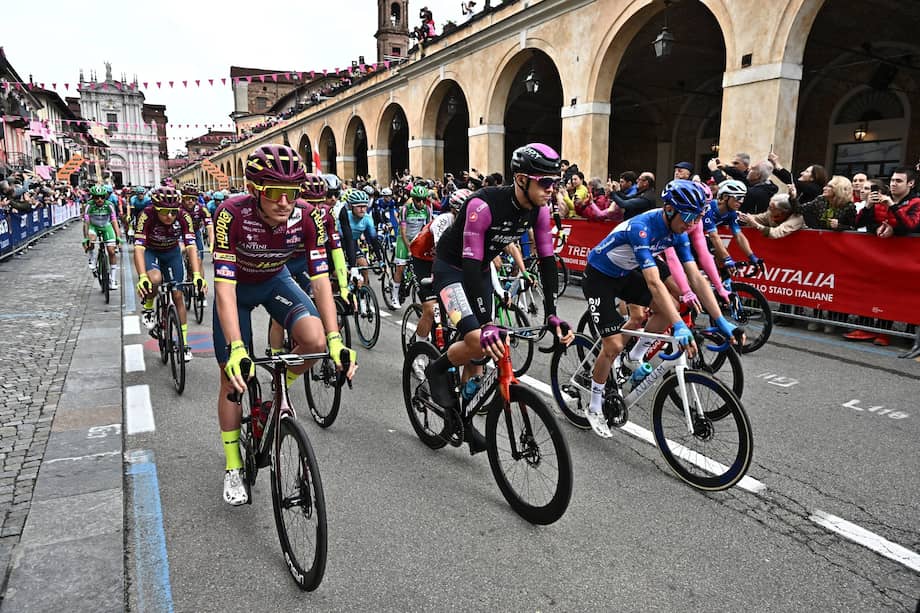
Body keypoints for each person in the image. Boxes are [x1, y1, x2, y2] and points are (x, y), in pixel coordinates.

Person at [212, 144, 356, 506]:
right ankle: (233, 466)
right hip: (237, 290)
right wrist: (237, 348)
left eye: (291, 192)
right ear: (254, 189)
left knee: (315, 340)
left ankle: (278, 387)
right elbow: (224, 287)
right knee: (232, 378)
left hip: (275, 280)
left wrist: (335, 340)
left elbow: (320, 281)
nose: (284, 202)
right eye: (274, 192)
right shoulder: (231, 214)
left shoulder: (308, 216)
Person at [427, 143, 574, 454]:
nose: (552, 190)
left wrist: (551, 313)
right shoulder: (482, 206)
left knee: (480, 358)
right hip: (452, 269)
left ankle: (463, 416)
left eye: (556, 182)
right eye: (546, 182)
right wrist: (486, 322)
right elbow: (469, 263)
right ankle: (437, 369)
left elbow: (547, 260)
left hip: (479, 271)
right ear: (521, 179)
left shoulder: (540, 210)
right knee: (478, 338)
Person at [580, 179, 741, 438]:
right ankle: (595, 405)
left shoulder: (679, 230)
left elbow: (694, 276)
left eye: (697, 217)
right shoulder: (642, 228)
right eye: (688, 216)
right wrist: (678, 326)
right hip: (600, 277)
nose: (692, 224)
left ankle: (635, 356)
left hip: (625, 272)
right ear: (669, 209)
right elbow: (654, 283)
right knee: (613, 346)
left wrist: (721, 320)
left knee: (672, 306)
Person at [134, 187, 205, 363]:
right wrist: (142, 277)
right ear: (156, 208)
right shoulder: (147, 214)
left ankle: (184, 343)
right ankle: (148, 308)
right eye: (164, 212)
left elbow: (191, 246)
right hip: (152, 252)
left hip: (172, 253)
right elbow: (139, 248)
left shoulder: (183, 216)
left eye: (173, 212)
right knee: (155, 279)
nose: (170, 216)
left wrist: (197, 274)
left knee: (178, 295)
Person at [408, 188, 473, 345]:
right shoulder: (443, 221)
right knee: (431, 309)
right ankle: (418, 348)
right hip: (422, 259)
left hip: (443, 261)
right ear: (454, 211)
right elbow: (441, 251)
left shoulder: (471, 224)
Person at [393, 185, 433, 306]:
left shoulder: (427, 209)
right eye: (418, 200)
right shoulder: (405, 209)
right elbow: (403, 231)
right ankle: (394, 296)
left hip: (416, 239)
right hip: (403, 239)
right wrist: (409, 248)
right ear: (413, 199)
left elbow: (428, 229)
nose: (421, 203)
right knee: (401, 267)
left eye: (423, 200)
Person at [82, 184, 123, 290]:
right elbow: (86, 222)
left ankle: (112, 280)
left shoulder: (109, 205)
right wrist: (86, 238)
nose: (99, 199)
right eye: (96, 197)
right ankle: (92, 258)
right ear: (93, 197)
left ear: (105, 197)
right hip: (93, 226)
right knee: (91, 241)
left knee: (111, 251)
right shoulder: (89, 205)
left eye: (102, 197)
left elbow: (114, 221)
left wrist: (118, 236)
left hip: (106, 226)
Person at [738, 190, 804, 239]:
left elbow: (775, 233)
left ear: (783, 211)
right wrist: (741, 216)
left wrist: (756, 224)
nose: (769, 209)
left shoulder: (796, 219)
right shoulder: (770, 213)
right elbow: (756, 218)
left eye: (771, 208)